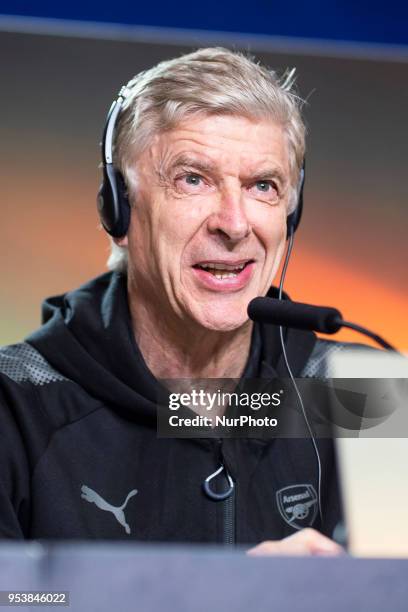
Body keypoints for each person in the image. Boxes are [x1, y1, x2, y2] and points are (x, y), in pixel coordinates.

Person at [0, 47, 345, 555]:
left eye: (263, 186)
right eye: (193, 179)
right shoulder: (15, 404)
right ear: (116, 210)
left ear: (289, 217)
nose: (233, 222)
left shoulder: (363, 398)